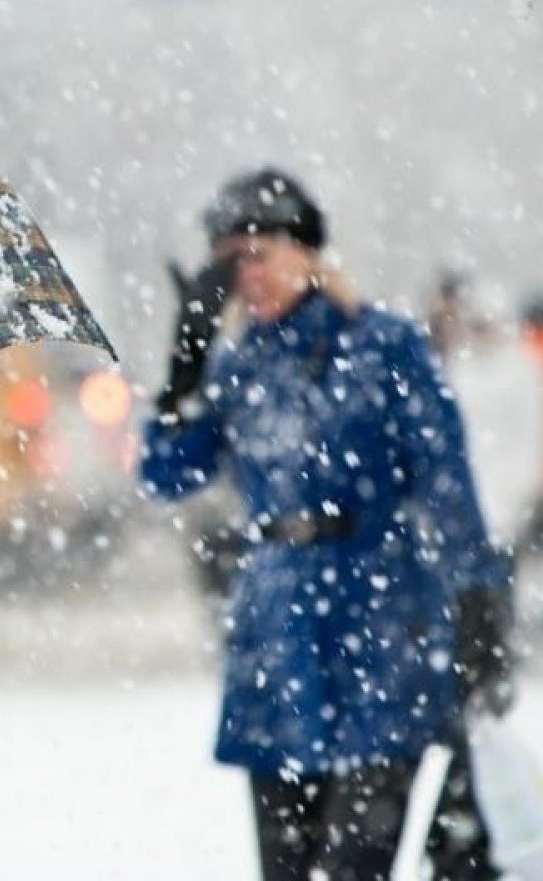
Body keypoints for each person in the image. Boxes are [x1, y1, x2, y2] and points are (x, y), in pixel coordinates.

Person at [141, 168, 514, 881]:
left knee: (354, 865)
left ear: (307, 252)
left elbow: (445, 479)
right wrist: (184, 366)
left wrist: (478, 597)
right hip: (277, 633)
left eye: (259, 252)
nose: (244, 273)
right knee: (286, 868)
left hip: (382, 624)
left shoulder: (383, 344)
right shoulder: (235, 363)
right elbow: (166, 475)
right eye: (227, 259)